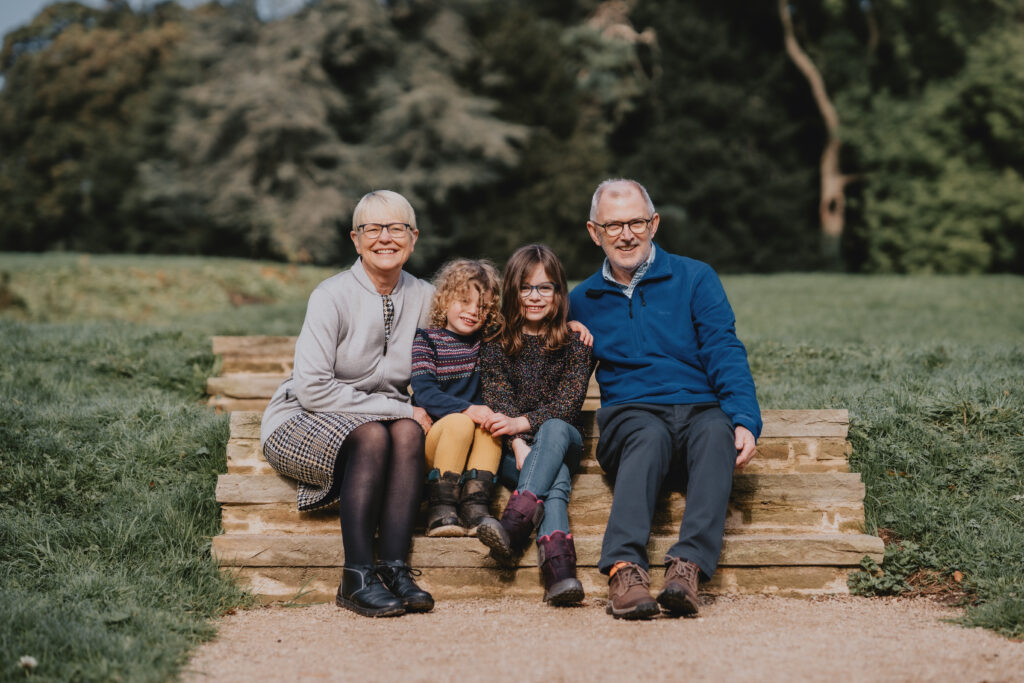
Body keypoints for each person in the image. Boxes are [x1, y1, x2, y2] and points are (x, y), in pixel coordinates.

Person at [568, 179, 761, 620]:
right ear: (593, 232)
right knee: (648, 435)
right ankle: (624, 568)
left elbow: (723, 349)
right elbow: (543, 358)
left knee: (718, 431)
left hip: (699, 409)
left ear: (653, 224)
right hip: (631, 417)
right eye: (612, 225)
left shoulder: (695, 277)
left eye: (636, 221)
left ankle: (686, 569)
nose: (625, 234)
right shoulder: (581, 300)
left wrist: (745, 417)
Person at [260, 190, 436, 618]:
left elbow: (471, 338)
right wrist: (400, 409)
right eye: (372, 229)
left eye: (395, 228)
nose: (384, 238)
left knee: (410, 432)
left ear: (413, 237)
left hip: (385, 425)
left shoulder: (427, 297)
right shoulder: (330, 295)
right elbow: (313, 390)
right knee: (378, 432)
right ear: (355, 240)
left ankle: (394, 569)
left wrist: (569, 323)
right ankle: (355, 576)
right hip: (302, 419)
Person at [475, 244, 593, 606]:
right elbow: (498, 398)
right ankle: (560, 574)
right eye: (526, 287)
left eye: (545, 287)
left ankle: (513, 525)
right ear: (513, 290)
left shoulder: (576, 342)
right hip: (515, 451)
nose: (535, 297)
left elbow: (568, 403)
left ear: (559, 291)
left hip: (564, 440)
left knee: (555, 426)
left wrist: (521, 428)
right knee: (554, 486)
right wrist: (519, 445)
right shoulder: (494, 342)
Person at [410, 259, 504, 538]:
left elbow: (530, 331)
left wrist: (570, 323)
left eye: (483, 306)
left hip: (474, 445)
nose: (473, 311)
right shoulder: (427, 340)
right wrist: (468, 410)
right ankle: (440, 507)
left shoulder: (488, 343)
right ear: (445, 299)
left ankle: (476, 506)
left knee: (493, 426)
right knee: (461, 422)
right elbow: (425, 393)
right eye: (464, 300)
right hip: (435, 443)